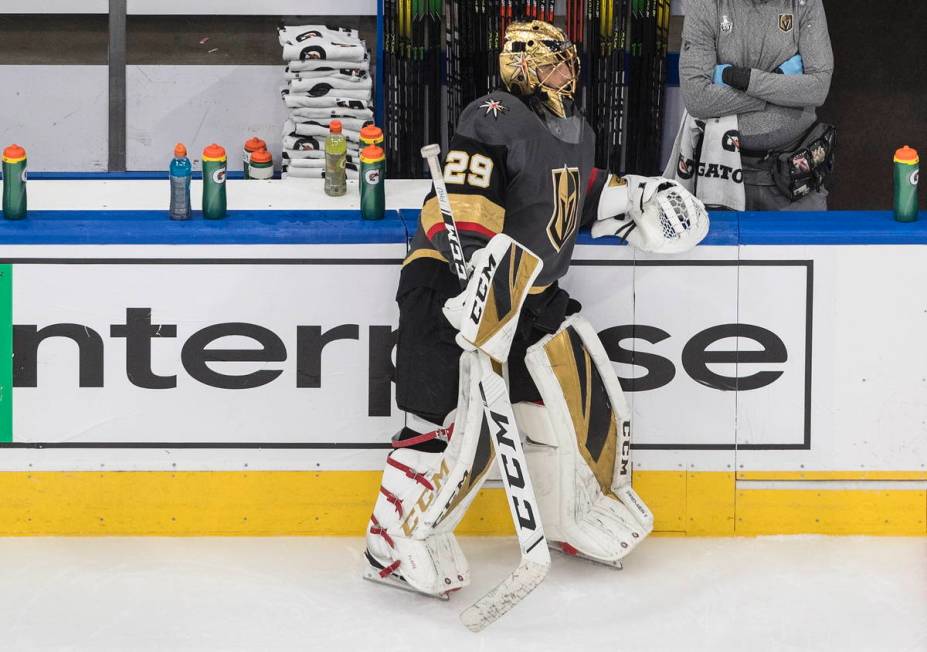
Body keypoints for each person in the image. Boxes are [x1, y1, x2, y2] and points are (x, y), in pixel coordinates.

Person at [362, 20, 708, 599]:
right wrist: (474, 272)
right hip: (451, 286)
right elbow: (465, 209)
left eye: (568, 64)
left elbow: (573, 192)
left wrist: (634, 195)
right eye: (554, 65)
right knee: (442, 420)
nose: (567, 75)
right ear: (523, 69)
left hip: (529, 293)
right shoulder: (492, 116)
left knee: (562, 402)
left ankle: (568, 517)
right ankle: (391, 542)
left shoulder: (574, 130)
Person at [679, 0, 835, 210]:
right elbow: (697, 98)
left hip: (796, 176)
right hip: (719, 172)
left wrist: (740, 79)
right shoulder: (706, 4)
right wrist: (780, 83)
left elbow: (818, 88)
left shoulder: (805, 3)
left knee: (807, 243)